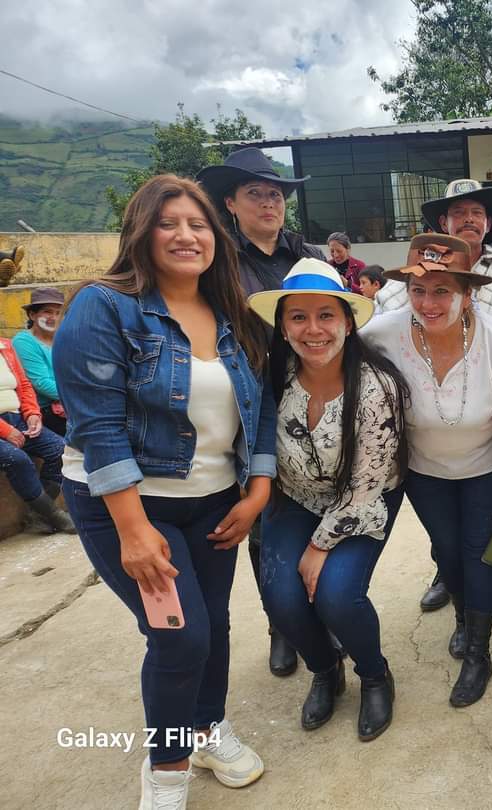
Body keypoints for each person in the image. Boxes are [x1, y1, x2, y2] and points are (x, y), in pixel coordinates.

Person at [54, 175, 273, 809]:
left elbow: (254, 413)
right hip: (127, 506)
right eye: (167, 223)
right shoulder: (105, 305)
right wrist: (131, 528)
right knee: (180, 637)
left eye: (198, 224)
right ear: (140, 233)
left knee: (216, 625)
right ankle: (167, 772)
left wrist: (256, 493)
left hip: (215, 501)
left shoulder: (233, 310)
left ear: (217, 236)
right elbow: (95, 425)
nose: (186, 235)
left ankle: (207, 728)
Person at [365, 234, 492, 707]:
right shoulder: (383, 334)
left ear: (467, 291)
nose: (428, 303)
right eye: (419, 291)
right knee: (448, 550)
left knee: (486, 554)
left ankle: (479, 651)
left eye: (442, 291)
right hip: (424, 470)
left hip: (486, 466)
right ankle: (463, 618)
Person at [249, 257, 408, 740]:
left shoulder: (377, 386)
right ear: (282, 325)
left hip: (362, 500)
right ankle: (325, 668)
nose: (312, 329)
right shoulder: (272, 375)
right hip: (295, 497)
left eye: (326, 315)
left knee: (337, 595)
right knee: (282, 598)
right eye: (298, 316)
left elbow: (365, 484)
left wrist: (318, 548)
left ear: (347, 321)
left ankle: (375, 674)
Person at [197, 146, 324, 679]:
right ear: (231, 202)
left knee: (318, 507)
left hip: (309, 393)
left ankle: (321, 614)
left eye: (276, 194)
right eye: (256, 193)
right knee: (263, 517)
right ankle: (282, 625)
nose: (269, 203)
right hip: (250, 402)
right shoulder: (217, 261)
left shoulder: (307, 254)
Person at [404, 179, 492, 613]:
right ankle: (447, 572)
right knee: (448, 534)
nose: (469, 219)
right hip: (436, 397)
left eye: (478, 212)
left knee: (490, 519)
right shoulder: (417, 273)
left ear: (488, 222)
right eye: (460, 213)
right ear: (444, 222)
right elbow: (387, 318)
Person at [1, 333, 74, 533]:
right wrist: (6, 431)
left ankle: (41, 513)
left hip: (17, 418)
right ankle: (53, 516)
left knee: (59, 448)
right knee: (17, 459)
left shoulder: (5, 345)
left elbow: (24, 385)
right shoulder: (22, 341)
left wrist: (33, 414)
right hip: (4, 427)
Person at [12, 286, 67, 437]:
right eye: (48, 311)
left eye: (59, 313)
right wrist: (79, 396)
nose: (54, 317)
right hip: (43, 409)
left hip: (69, 402)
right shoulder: (24, 341)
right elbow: (42, 383)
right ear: (32, 315)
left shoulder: (64, 338)